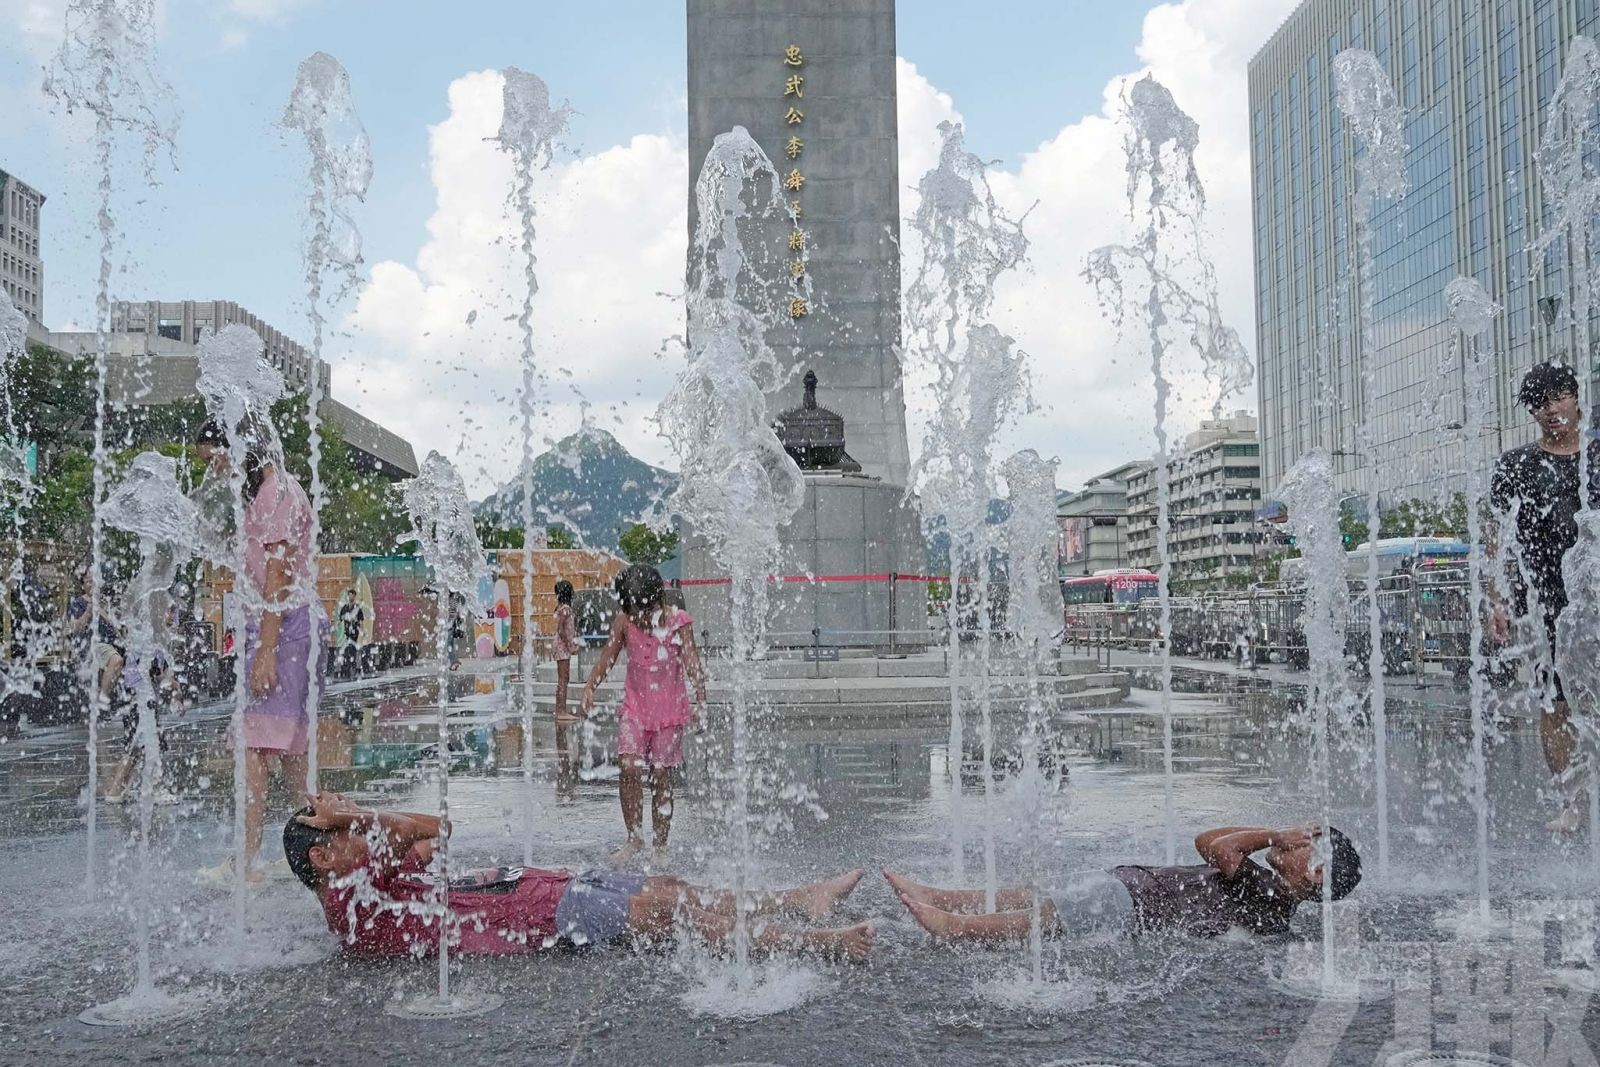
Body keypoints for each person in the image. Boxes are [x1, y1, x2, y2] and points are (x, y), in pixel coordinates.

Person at [282, 791, 872, 960]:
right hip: (541, 916)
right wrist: (355, 814)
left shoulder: (371, 882)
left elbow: (436, 831)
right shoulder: (351, 909)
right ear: (323, 859)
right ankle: (819, 945)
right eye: (344, 835)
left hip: (542, 885)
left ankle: (801, 899)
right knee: (674, 914)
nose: (359, 835)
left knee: (674, 889)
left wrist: (359, 820)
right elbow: (427, 828)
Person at [197, 417, 324, 883]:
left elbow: (279, 577)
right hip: (286, 629)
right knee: (293, 763)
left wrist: (266, 649)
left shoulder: (276, 493)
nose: (214, 473)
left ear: (241, 451)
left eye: (217, 460)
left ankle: (246, 865)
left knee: (251, 747)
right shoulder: (270, 493)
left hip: (285, 632)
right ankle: (335, 851)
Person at [887, 824, 1361, 941]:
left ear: (1315, 872)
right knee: (1038, 898)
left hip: (1138, 903)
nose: (1292, 841)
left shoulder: (1273, 895)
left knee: (1045, 916)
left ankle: (955, 927)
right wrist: (1275, 837)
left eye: (1306, 843)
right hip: (1133, 890)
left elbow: (1216, 847)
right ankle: (943, 898)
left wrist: (1271, 835)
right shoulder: (1272, 890)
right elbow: (1211, 839)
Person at [1489, 362, 1600, 833]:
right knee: (1554, 704)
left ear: (1576, 398)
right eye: (1539, 403)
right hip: (1545, 603)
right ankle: (1573, 801)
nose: (1550, 409)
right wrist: (1495, 600)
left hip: (1594, 597)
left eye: (1558, 397)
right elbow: (1495, 538)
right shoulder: (1515, 466)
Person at [580, 564, 706, 864]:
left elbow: (692, 662)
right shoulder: (625, 622)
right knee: (629, 766)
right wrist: (590, 687)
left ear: (655, 601)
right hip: (635, 708)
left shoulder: (678, 621)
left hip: (669, 712)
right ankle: (634, 837)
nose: (638, 617)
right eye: (632, 610)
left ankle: (660, 845)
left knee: (661, 774)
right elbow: (608, 656)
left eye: (640, 610)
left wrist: (702, 700)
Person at [336, 589, 364, 679]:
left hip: (354, 633)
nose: (350, 597)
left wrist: (362, 632)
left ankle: (352, 668)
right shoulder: (345, 608)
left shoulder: (357, 608)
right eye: (349, 595)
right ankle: (349, 668)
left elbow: (361, 621)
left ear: (354, 596)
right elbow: (340, 619)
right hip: (347, 632)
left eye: (351, 595)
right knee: (347, 651)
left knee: (352, 650)